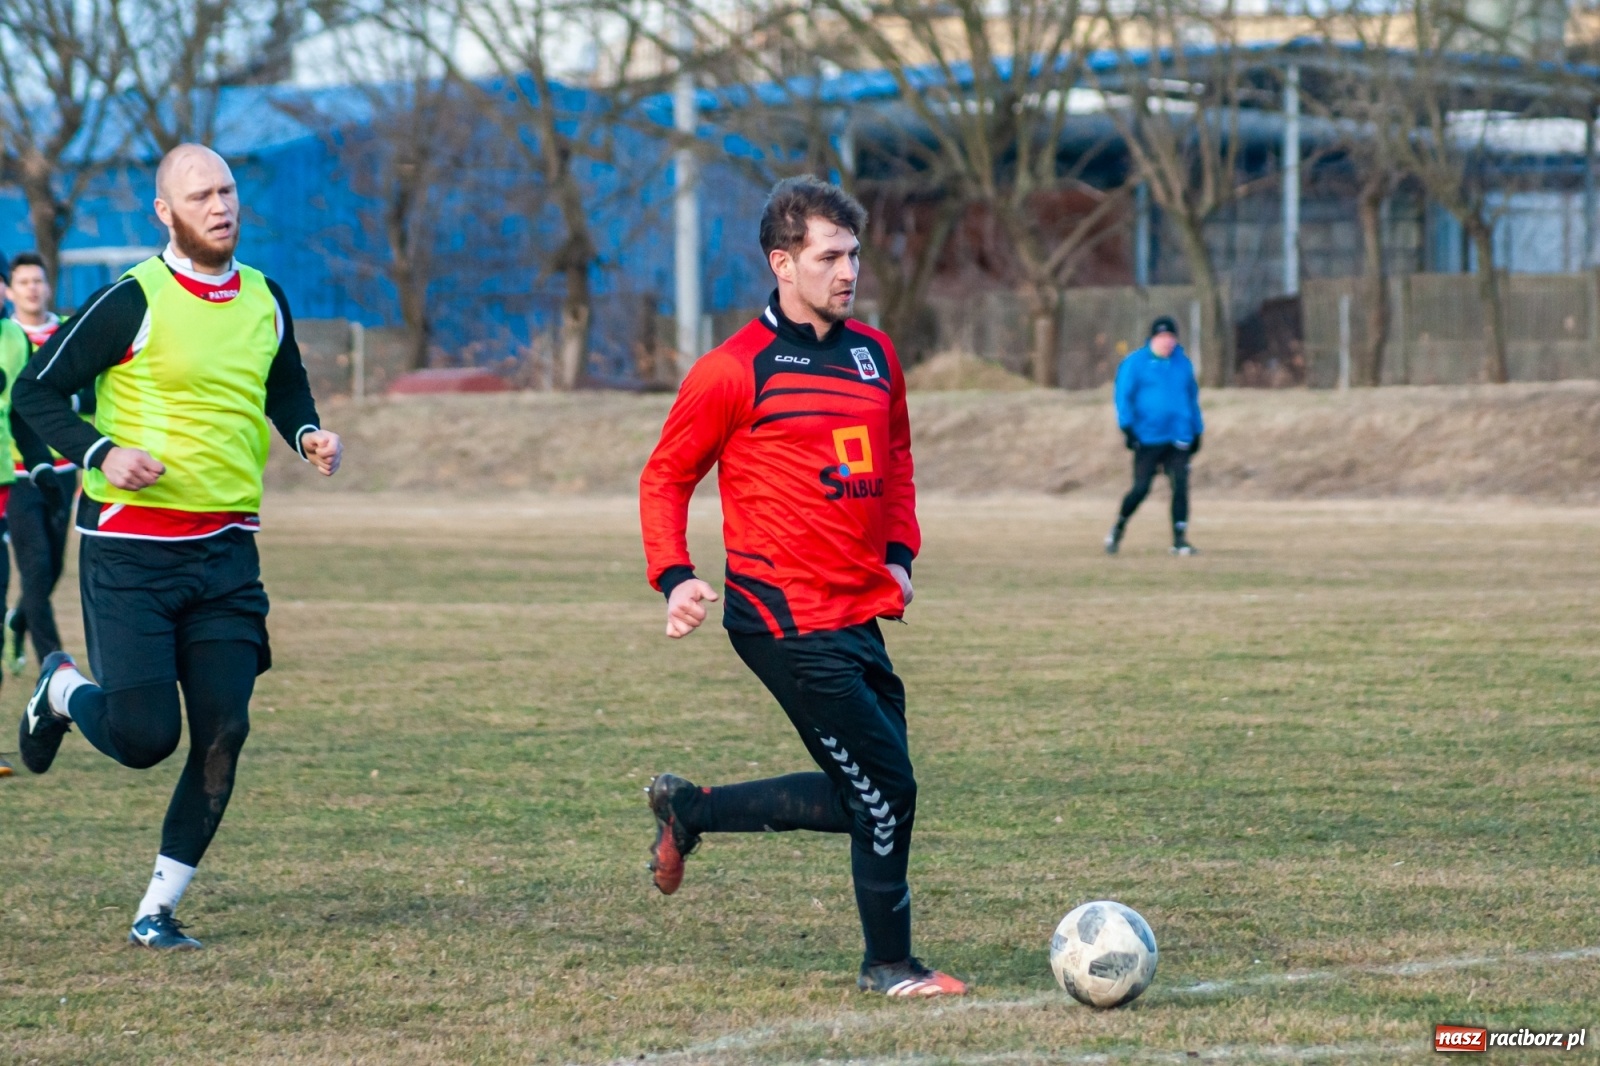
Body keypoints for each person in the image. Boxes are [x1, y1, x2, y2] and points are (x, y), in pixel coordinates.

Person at [638, 175, 966, 998]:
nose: (847, 270)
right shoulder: (732, 369)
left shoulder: (874, 354)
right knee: (890, 784)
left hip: (859, 607)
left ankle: (693, 810)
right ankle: (889, 965)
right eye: (828, 256)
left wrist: (900, 553)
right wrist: (675, 576)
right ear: (782, 263)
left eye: (853, 254)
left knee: (863, 789)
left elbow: (894, 461)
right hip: (781, 616)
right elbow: (666, 477)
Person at [13, 144, 342, 950]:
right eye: (200, 195)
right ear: (166, 212)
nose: (220, 205)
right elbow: (36, 392)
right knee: (144, 738)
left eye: (227, 190)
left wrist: (304, 431)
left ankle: (155, 909)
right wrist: (99, 454)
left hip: (227, 551)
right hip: (132, 551)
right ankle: (58, 689)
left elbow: (283, 379)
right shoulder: (132, 299)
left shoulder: (267, 296)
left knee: (226, 728)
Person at [4, 251, 81, 673]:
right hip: (15, 474)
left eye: (39, 280)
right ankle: (53, 665)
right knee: (34, 568)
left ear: (48, 286)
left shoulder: (69, 333)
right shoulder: (4, 337)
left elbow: (95, 390)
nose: (33, 288)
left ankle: (20, 617)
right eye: (24, 282)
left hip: (63, 470)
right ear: (11, 290)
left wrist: (67, 399)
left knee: (53, 568)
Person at [1106, 316, 1204, 556]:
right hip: (1148, 437)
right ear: (1152, 339)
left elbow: (1191, 399)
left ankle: (1179, 539)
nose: (1167, 342)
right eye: (1162, 337)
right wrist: (1127, 428)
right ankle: (1118, 527)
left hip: (1178, 435)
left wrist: (1197, 430)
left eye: (1171, 337)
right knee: (1141, 488)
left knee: (1180, 485)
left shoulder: (1183, 364)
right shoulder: (1135, 363)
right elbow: (1123, 397)